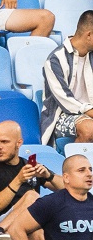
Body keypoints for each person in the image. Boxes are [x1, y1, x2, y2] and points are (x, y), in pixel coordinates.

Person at [8, 155, 93, 240]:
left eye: (90, 169)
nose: (89, 174)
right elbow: (16, 228)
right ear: (66, 178)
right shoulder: (51, 203)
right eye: (81, 170)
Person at [0, 120, 64, 240]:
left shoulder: (29, 165)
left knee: (40, 237)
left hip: (26, 225)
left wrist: (48, 175)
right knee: (32, 196)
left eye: (4, 142)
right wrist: (18, 180)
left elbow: (68, 189)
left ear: (19, 143)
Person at [41, 10, 93, 145]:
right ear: (89, 35)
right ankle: (75, 165)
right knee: (89, 129)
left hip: (90, 111)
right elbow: (65, 100)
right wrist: (89, 111)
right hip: (62, 115)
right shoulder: (55, 60)